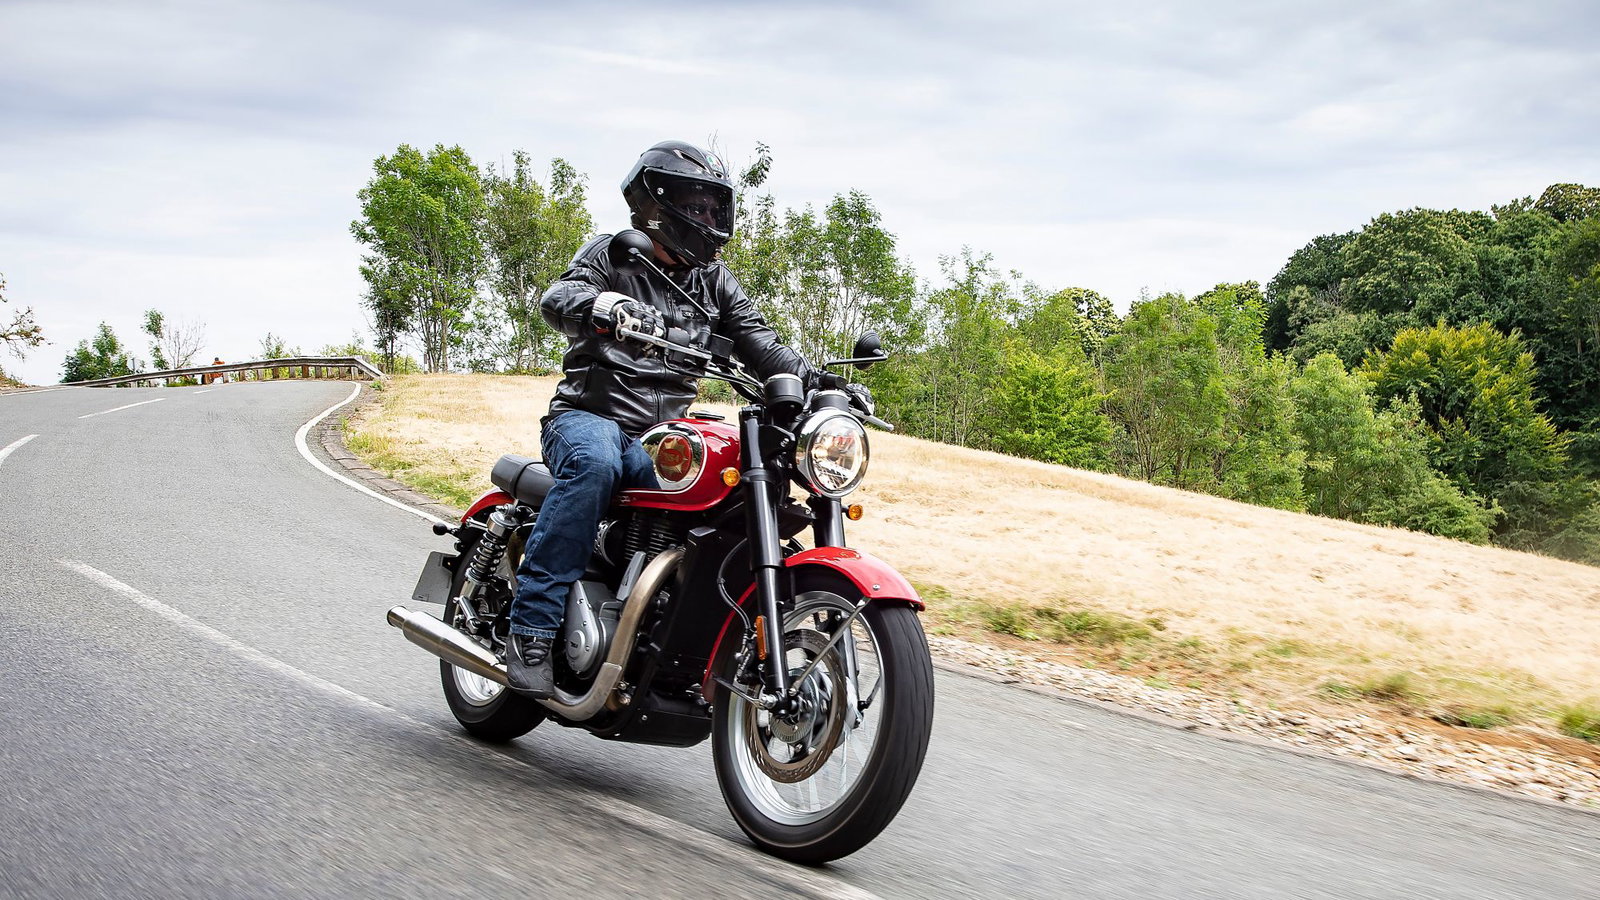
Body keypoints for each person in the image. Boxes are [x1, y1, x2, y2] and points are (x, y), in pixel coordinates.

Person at [504, 140, 824, 698]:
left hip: (661, 437)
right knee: (596, 464)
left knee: (728, 495)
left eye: (711, 207)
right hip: (589, 416)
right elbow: (560, 297)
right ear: (655, 203)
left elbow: (762, 344)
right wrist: (601, 307)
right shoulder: (614, 255)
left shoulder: (715, 282)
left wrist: (822, 385)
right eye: (693, 205)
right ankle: (531, 628)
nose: (704, 218)